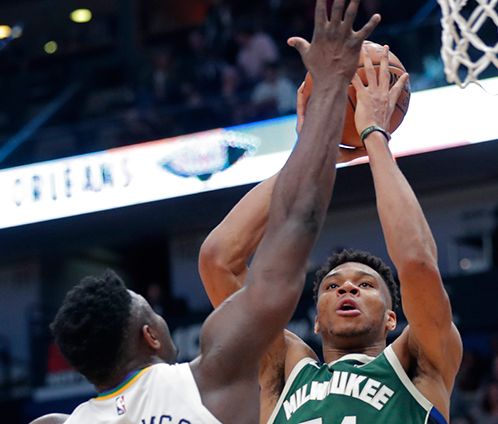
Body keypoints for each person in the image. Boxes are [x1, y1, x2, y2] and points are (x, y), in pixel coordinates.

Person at [31, 0, 381, 422]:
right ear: (150, 336)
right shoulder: (208, 380)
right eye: (154, 314)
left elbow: (219, 257)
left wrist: (314, 148)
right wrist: (330, 84)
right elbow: (297, 221)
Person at [199, 35, 462, 424]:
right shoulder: (282, 370)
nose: (347, 289)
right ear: (317, 321)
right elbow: (218, 259)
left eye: (366, 285)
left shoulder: (419, 364)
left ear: (392, 319)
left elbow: (417, 263)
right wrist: (312, 152)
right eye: (332, 286)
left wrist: (374, 135)